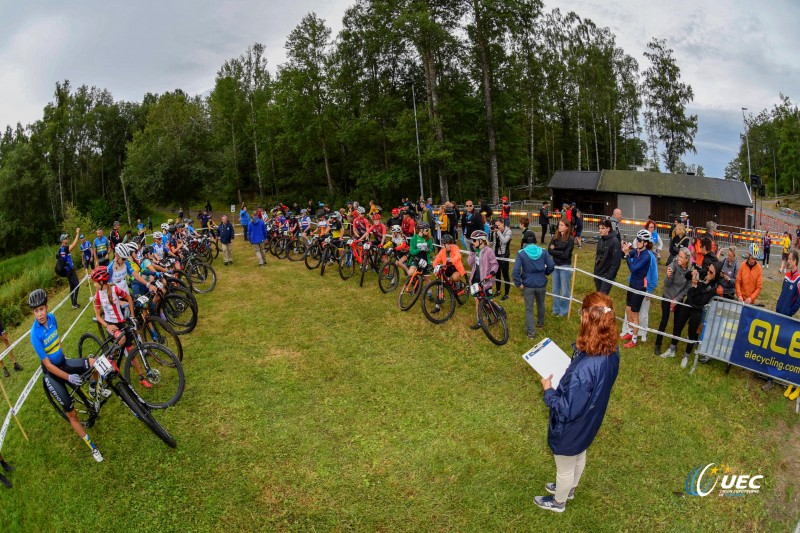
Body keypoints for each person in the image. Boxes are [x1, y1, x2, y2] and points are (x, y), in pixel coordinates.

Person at [533, 291, 620, 513]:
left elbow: (567, 408)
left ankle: (558, 501)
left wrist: (548, 391)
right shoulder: (612, 351)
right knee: (579, 453)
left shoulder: (585, 368)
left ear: (587, 318)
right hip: (591, 419)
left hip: (573, 425)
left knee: (564, 464)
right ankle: (570, 488)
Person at [29, 289, 104, 462]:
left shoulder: (53, 318)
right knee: (72, 414)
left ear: (47, 307)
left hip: (63, 362)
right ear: (33, 312)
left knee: (94, 363)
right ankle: (92, 447)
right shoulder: (35, 334)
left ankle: (93, 390)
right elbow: (47, 364)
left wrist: (63, 355)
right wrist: (68, 377)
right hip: (52, 375)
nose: (40, 314)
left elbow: (58, 340)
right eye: (36, 311)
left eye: (42, 309)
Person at [662, 262, 719, 368]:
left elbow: (700, 300)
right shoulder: (702, 273)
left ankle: (686, 356)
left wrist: (694, 286)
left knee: (692, 333)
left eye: (711, 272)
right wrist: (692, 273)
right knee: (678, 326)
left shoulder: (713, 288)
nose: (708, 272)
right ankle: (672, 348)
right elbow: (687, 276)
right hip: (687, 305)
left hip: (697, 310)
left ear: (716, 275)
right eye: (708, 270)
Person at [513, 232, 555, 339]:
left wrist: (518, 283)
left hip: (528, 285)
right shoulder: (543, 251)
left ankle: (531, 333)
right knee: (541, 304)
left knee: (529, 309)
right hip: (541, 283)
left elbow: (516, 270)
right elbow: (551, 265)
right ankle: (540, 323)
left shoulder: (521, 253)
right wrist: (545, 273)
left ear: (525, 241)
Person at [655, 247, 691, 357]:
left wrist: (677, 299)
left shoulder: (689, 271)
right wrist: (669, 276)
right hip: (667, 295)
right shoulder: (673, 265)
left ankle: (673, 347)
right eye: (678, 256)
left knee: (677, 323)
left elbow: (687, 288)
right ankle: (658, 344)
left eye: (681, 257)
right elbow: (666, 284)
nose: (678, 258)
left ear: (687, 259)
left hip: (678, 299)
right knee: (664, 320)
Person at [620, 230, 653, 349]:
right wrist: (624, 249)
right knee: (628, 309)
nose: (637, 241)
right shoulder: (637, 251)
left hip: (639, 287)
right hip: (632, 284)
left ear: (645, 243)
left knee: (635, 313)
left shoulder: (646, 256)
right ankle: (629, 331)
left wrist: (628, 254)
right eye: (637, 239)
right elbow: (624, 255)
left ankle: (634, 339)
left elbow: (633, 268)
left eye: (639, 240)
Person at [777, 249, 800, 398]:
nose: (788, 261)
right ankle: (776, 373)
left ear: (796, 261)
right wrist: (779, 305)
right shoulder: (787, 275)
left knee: (785, 345)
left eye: (790, 259)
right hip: (779, 312)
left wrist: (789, 313)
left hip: (787, 315)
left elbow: (798, 301)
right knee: (777, 343)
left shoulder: (799, 279)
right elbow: (782, 292)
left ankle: (791, 380)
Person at [467, 230, 499, 329]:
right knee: (478, 301)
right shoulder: (475, 250)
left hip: (485, 280)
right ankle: (479, 321)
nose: (473, 242)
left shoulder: (488, 251)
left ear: (481, 240)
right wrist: (472, 253)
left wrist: (492, 272)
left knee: (489, 300)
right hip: (475, 279)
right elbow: (469, 263)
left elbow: (495, 264)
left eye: (474, 240)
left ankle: (499, 310)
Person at [548, 219, 574, 317]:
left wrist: (556, 250)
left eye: (562, 225)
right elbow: (549, 250)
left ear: (567, 227)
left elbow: (566, 255)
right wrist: (560, 251)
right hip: (555, 265)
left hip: (565, 266)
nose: (559, 227)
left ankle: (563, 310)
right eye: (559, 225)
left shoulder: (571, 239)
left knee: (565, 290)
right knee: (555, 289)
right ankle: (556, 309)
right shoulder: (555, 237)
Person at [593, 220, 621, 294]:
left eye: (602, 228)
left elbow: (616, 262)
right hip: (598, 273)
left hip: (606, 276)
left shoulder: (614, 241)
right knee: (599, 296)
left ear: (608, 229)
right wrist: (596, 272)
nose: (600, 230)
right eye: (599, 228)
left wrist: (609, 276)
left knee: (602, 298)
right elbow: (598, 256)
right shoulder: (600, 240)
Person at [57, 229, 81, 309]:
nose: (67, 239)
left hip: (68, 270)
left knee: (72, 286)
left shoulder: (61, 249)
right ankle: (74, 303)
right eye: (66, 238)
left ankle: (73, 303)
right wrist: (77, 233)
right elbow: (74, 244)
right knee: (77, 284)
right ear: (63, 241)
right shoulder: (64, 248)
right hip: (70, 270)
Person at [491, 218, 513, 300]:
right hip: (496, 254)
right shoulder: (495, 232)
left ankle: (506, 294)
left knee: (505, 274)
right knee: (497, 274)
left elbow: (504, 241)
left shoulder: (508, 231)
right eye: (496, 225)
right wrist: (492, 255)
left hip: (504, 255)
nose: (497, 227)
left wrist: (498, 232)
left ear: (503, 223)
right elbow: (494, 243)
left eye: (499, 225)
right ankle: (498, 290)